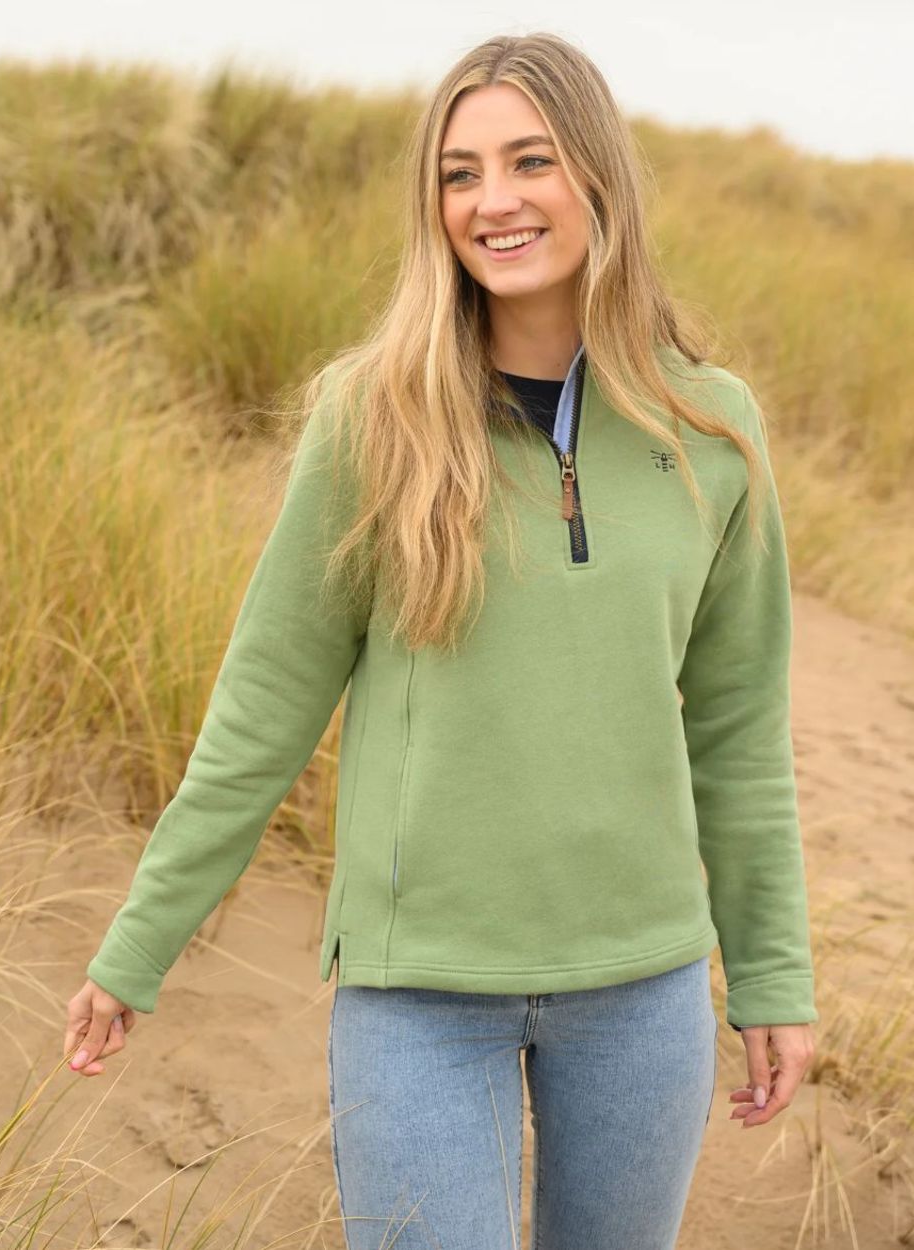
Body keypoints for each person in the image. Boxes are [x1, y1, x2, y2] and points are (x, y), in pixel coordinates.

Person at [63, 30, 818, 1249]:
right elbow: (266, 702)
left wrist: (772, 975)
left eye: (529, 160)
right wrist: (137, 945)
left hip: (643, 988)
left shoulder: (711, 427)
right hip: (417, 994)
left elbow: (735, 723)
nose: (494, 200)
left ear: (598, 178)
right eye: (459, 173)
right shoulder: (372, 418)